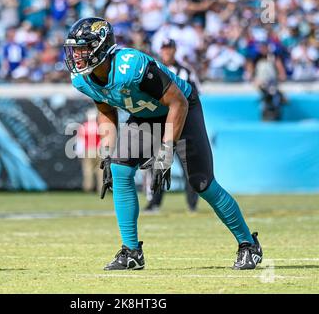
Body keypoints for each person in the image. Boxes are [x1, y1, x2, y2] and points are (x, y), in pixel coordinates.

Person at [64, 17, 263, 271]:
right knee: (119, 168)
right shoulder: (83, 79)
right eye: (75, 49)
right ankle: (131, 252)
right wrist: (107, 149)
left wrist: (166, 151)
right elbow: (105, 109)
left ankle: (248, 244)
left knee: (201, 182)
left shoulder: (130, 65)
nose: (77, 55)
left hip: (181, 106)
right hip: (146, 115)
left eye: (83, 48)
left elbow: (177, 102)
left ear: (102, 47)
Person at [144, 39, 199, 213]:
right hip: (160, 124)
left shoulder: (186, 71)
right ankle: (154, 202)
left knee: (188, 167)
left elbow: (194, 96)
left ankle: (192, 204)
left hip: (181, 124)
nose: (167, 52)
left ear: (175, 50)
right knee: (158, 164)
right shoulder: (154, 69)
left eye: (170, 49)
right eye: (164, 49)